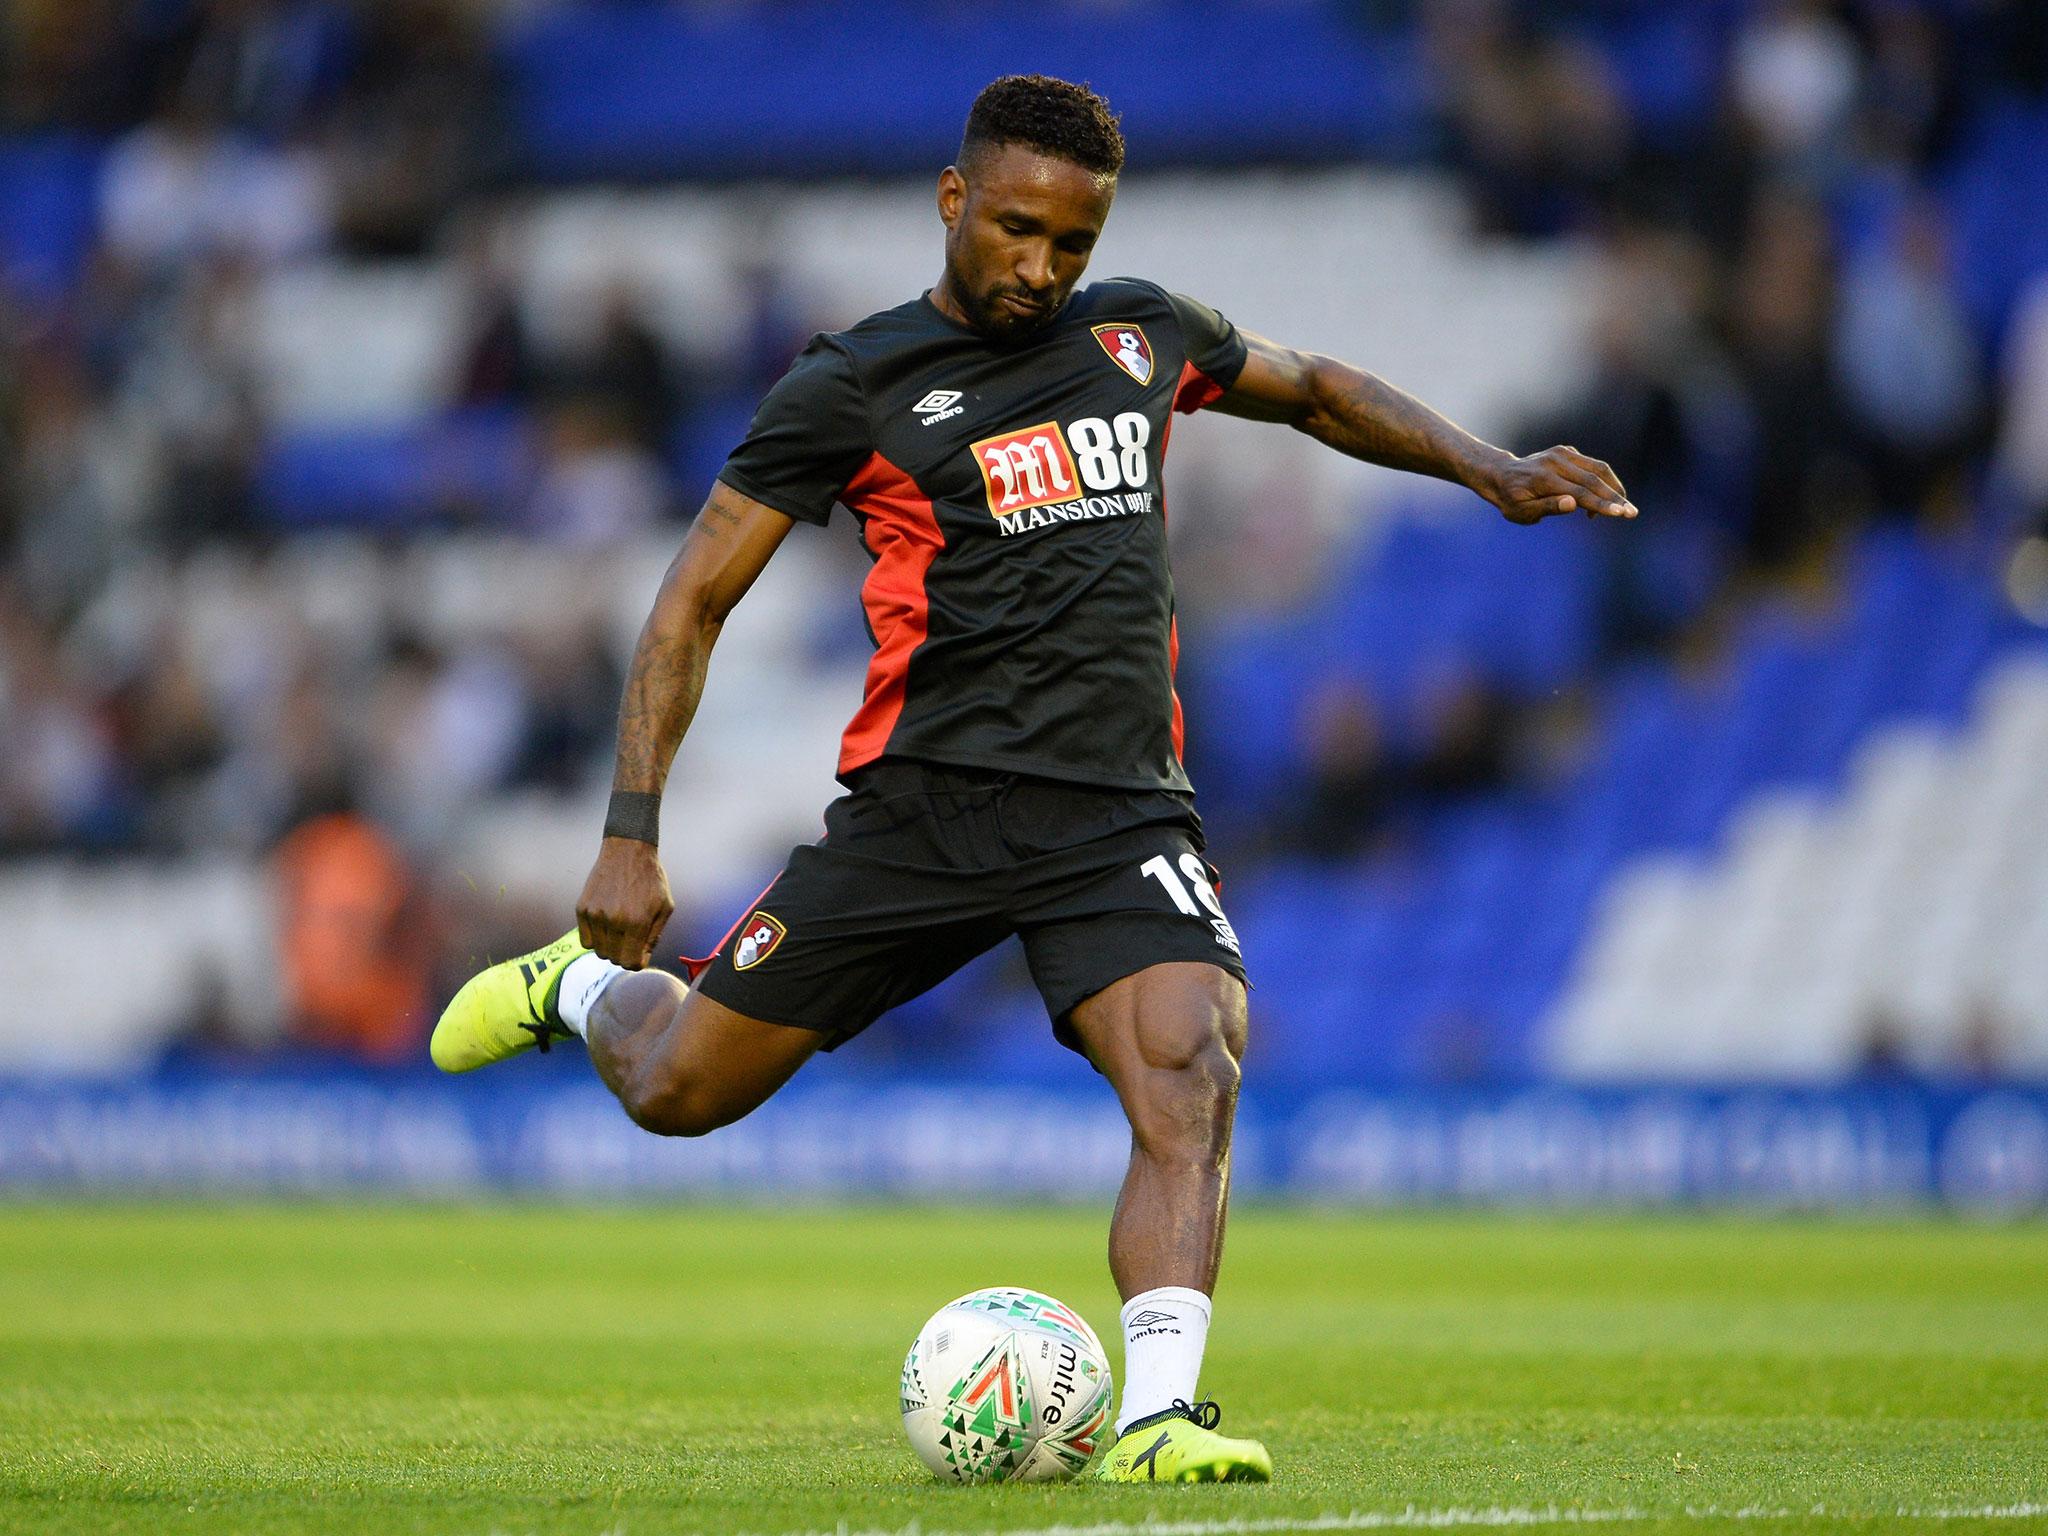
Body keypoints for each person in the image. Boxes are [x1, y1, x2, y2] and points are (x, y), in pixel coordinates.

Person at [430, 74, 1635, 1483]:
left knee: (1194, 1062)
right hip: (924, 808)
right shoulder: (851, 383)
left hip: (1117, 813)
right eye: (1015, 231)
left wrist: (1489, 469)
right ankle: (575, 994)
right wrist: (628, 837)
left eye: (1071, 241)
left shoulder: (1139, 333)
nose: (1040, 268)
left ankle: (1157, 1420)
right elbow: (690, 601)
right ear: (955, 201)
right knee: (680, 1091)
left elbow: (1314, 392)